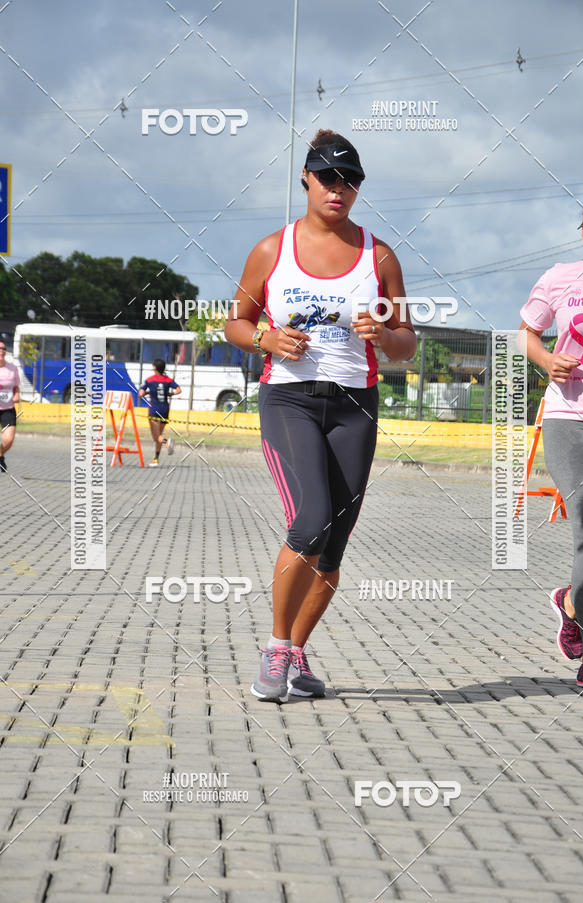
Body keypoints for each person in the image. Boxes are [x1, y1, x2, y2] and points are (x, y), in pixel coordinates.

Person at [225, 128, 417, 702]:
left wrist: (383, 334)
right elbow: (234, 322)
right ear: (305, 179)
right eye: (329, 177)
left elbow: (407, 341)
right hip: (290, 398)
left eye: (351, 180)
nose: (340, 188)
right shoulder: (271, 250)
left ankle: (297, 653)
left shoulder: (378, 255)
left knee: (333, 545)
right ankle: (277, 647)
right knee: (310, 521)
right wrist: (264, 338)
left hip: (355, 405)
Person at [520, 189, 583, 687]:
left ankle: (572, 602)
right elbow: (527, 334)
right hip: (571, 419)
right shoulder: (561, 279)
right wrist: (548, 360)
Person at [138, 358, 181, 466]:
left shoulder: (150, 380)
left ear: (154, 367)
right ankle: (156, 459)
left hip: (154, 410)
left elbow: (140, 393)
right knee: (159, 436)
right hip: (165, 410)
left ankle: (167, 442)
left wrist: (147, 392)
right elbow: (178, 390)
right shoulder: (168, 380)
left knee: (156, 437)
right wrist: (171, 394)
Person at [0, 340, 20, 473]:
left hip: (7, 408)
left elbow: (16, 387)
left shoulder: (13, 368)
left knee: (9, 439)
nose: (1, 350)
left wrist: (16, 395)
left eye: (4, 348)